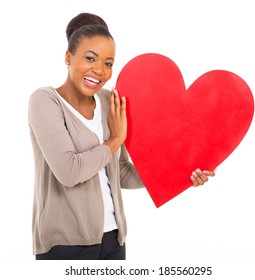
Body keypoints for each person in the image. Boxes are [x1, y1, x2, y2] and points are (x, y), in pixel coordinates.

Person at [28, 13, 215, 260]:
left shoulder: (109, 102)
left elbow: (121, 171)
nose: (99, 70)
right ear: (68, 57)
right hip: (65, 245)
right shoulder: (45, 101)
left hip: (114, 240)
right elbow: (69, 171)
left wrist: (181, 176)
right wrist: (115, 139)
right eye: (90, 58)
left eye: (108, 63)